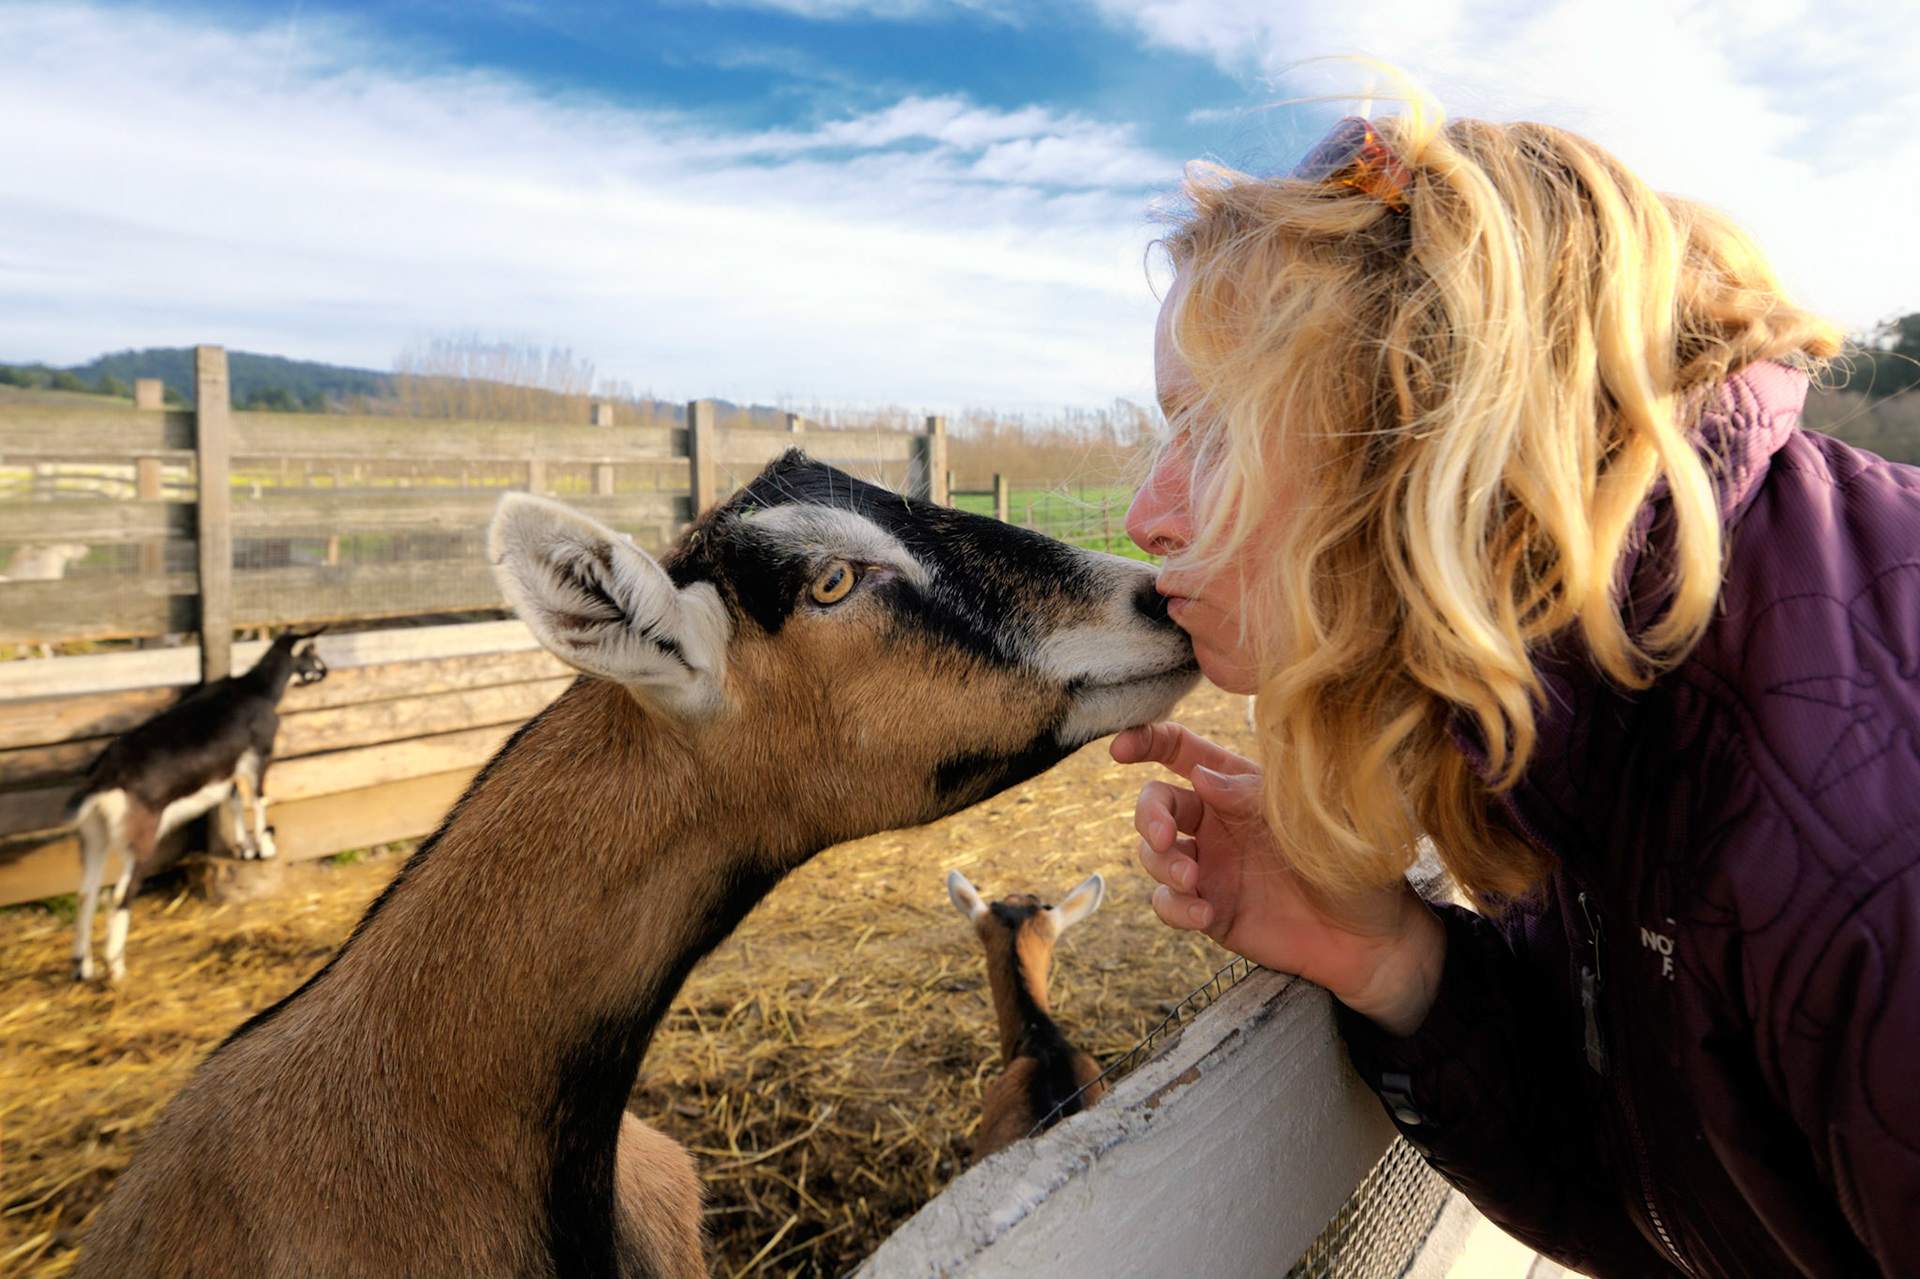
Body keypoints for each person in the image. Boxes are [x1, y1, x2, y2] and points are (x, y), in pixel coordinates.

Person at [1110, 105, 1920, 1279]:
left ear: (1425, 420)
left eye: (1214, 428)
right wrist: (1394, 959)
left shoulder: (1860, 836)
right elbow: (1699, 1202)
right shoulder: (1573, 709)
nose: (1147, 515)